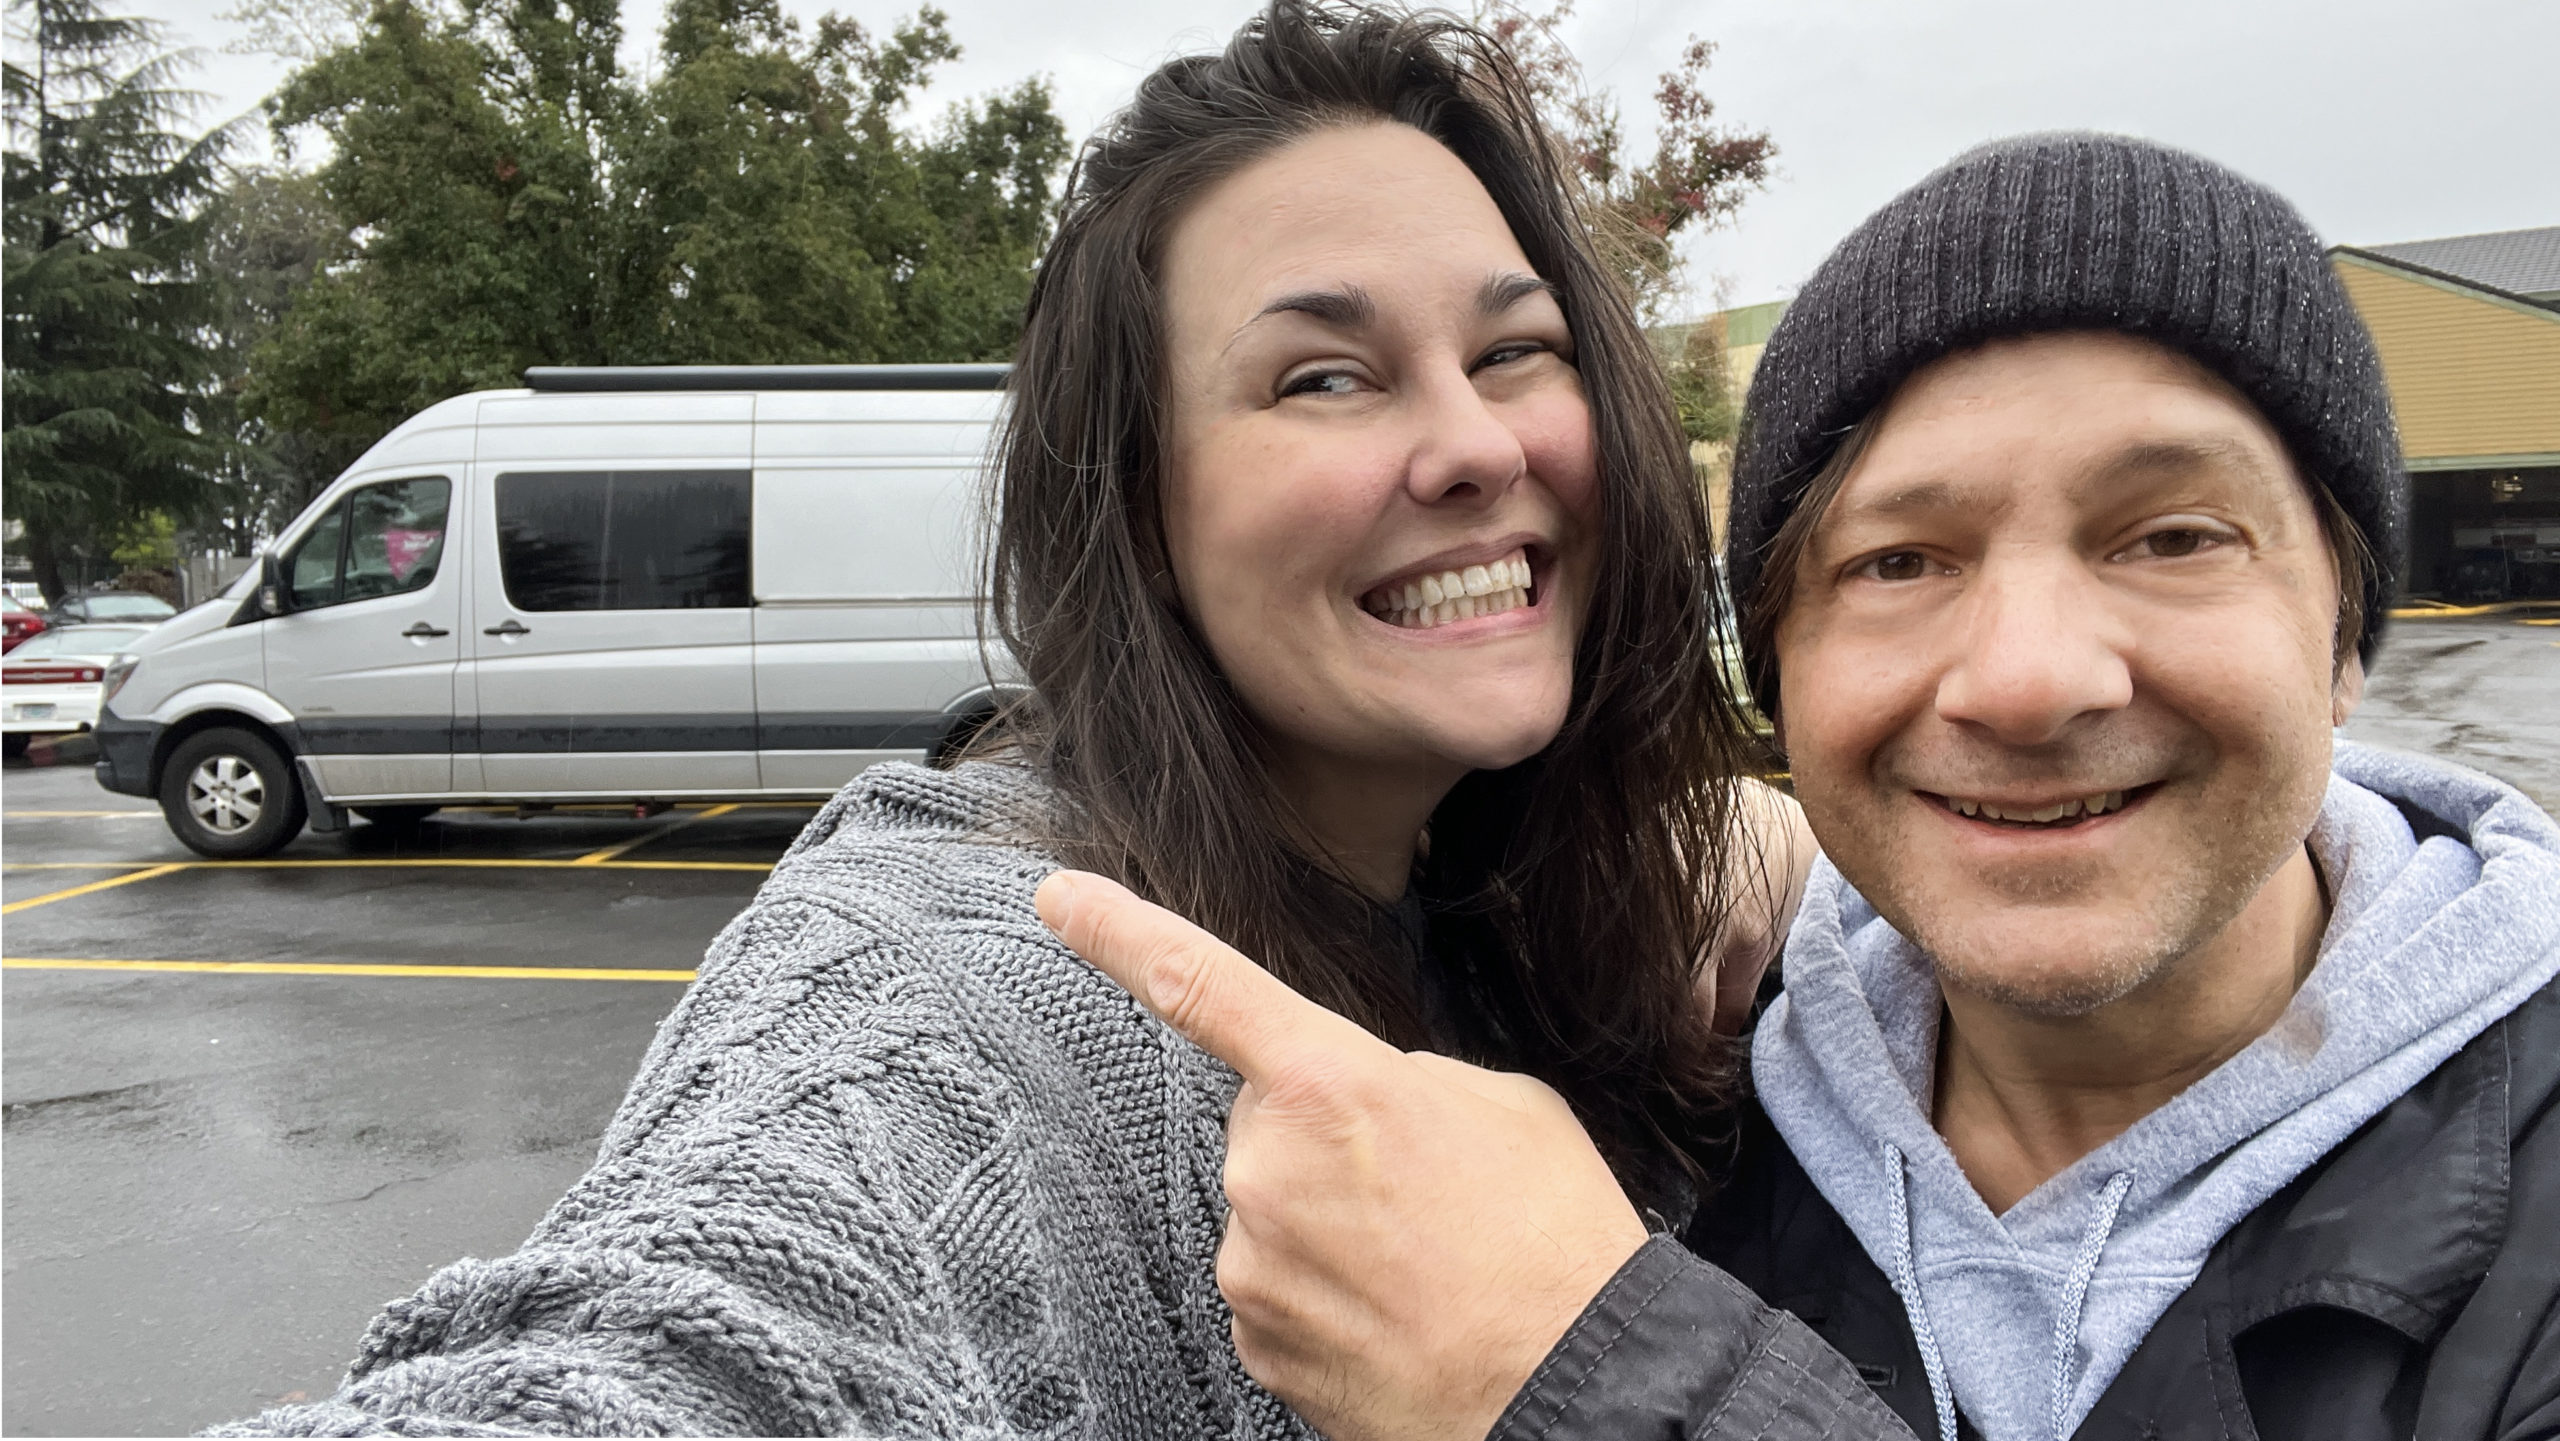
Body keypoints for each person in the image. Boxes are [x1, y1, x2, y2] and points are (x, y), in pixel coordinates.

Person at [209, 4, 1869, 1435]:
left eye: (1517, 350)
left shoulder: (1553, 898)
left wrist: (1780, 850)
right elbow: (705, 1329)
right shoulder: (963, 988)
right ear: (1140, 508)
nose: (1473, 444)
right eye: (1322, 377)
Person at [1043, 133, 2560, 1441]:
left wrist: (1590, 1376)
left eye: (2169, 536)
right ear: (1784, 679)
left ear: (2347, 633)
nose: (2027, 679)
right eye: (1899, 560)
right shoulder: (1680, 1099)